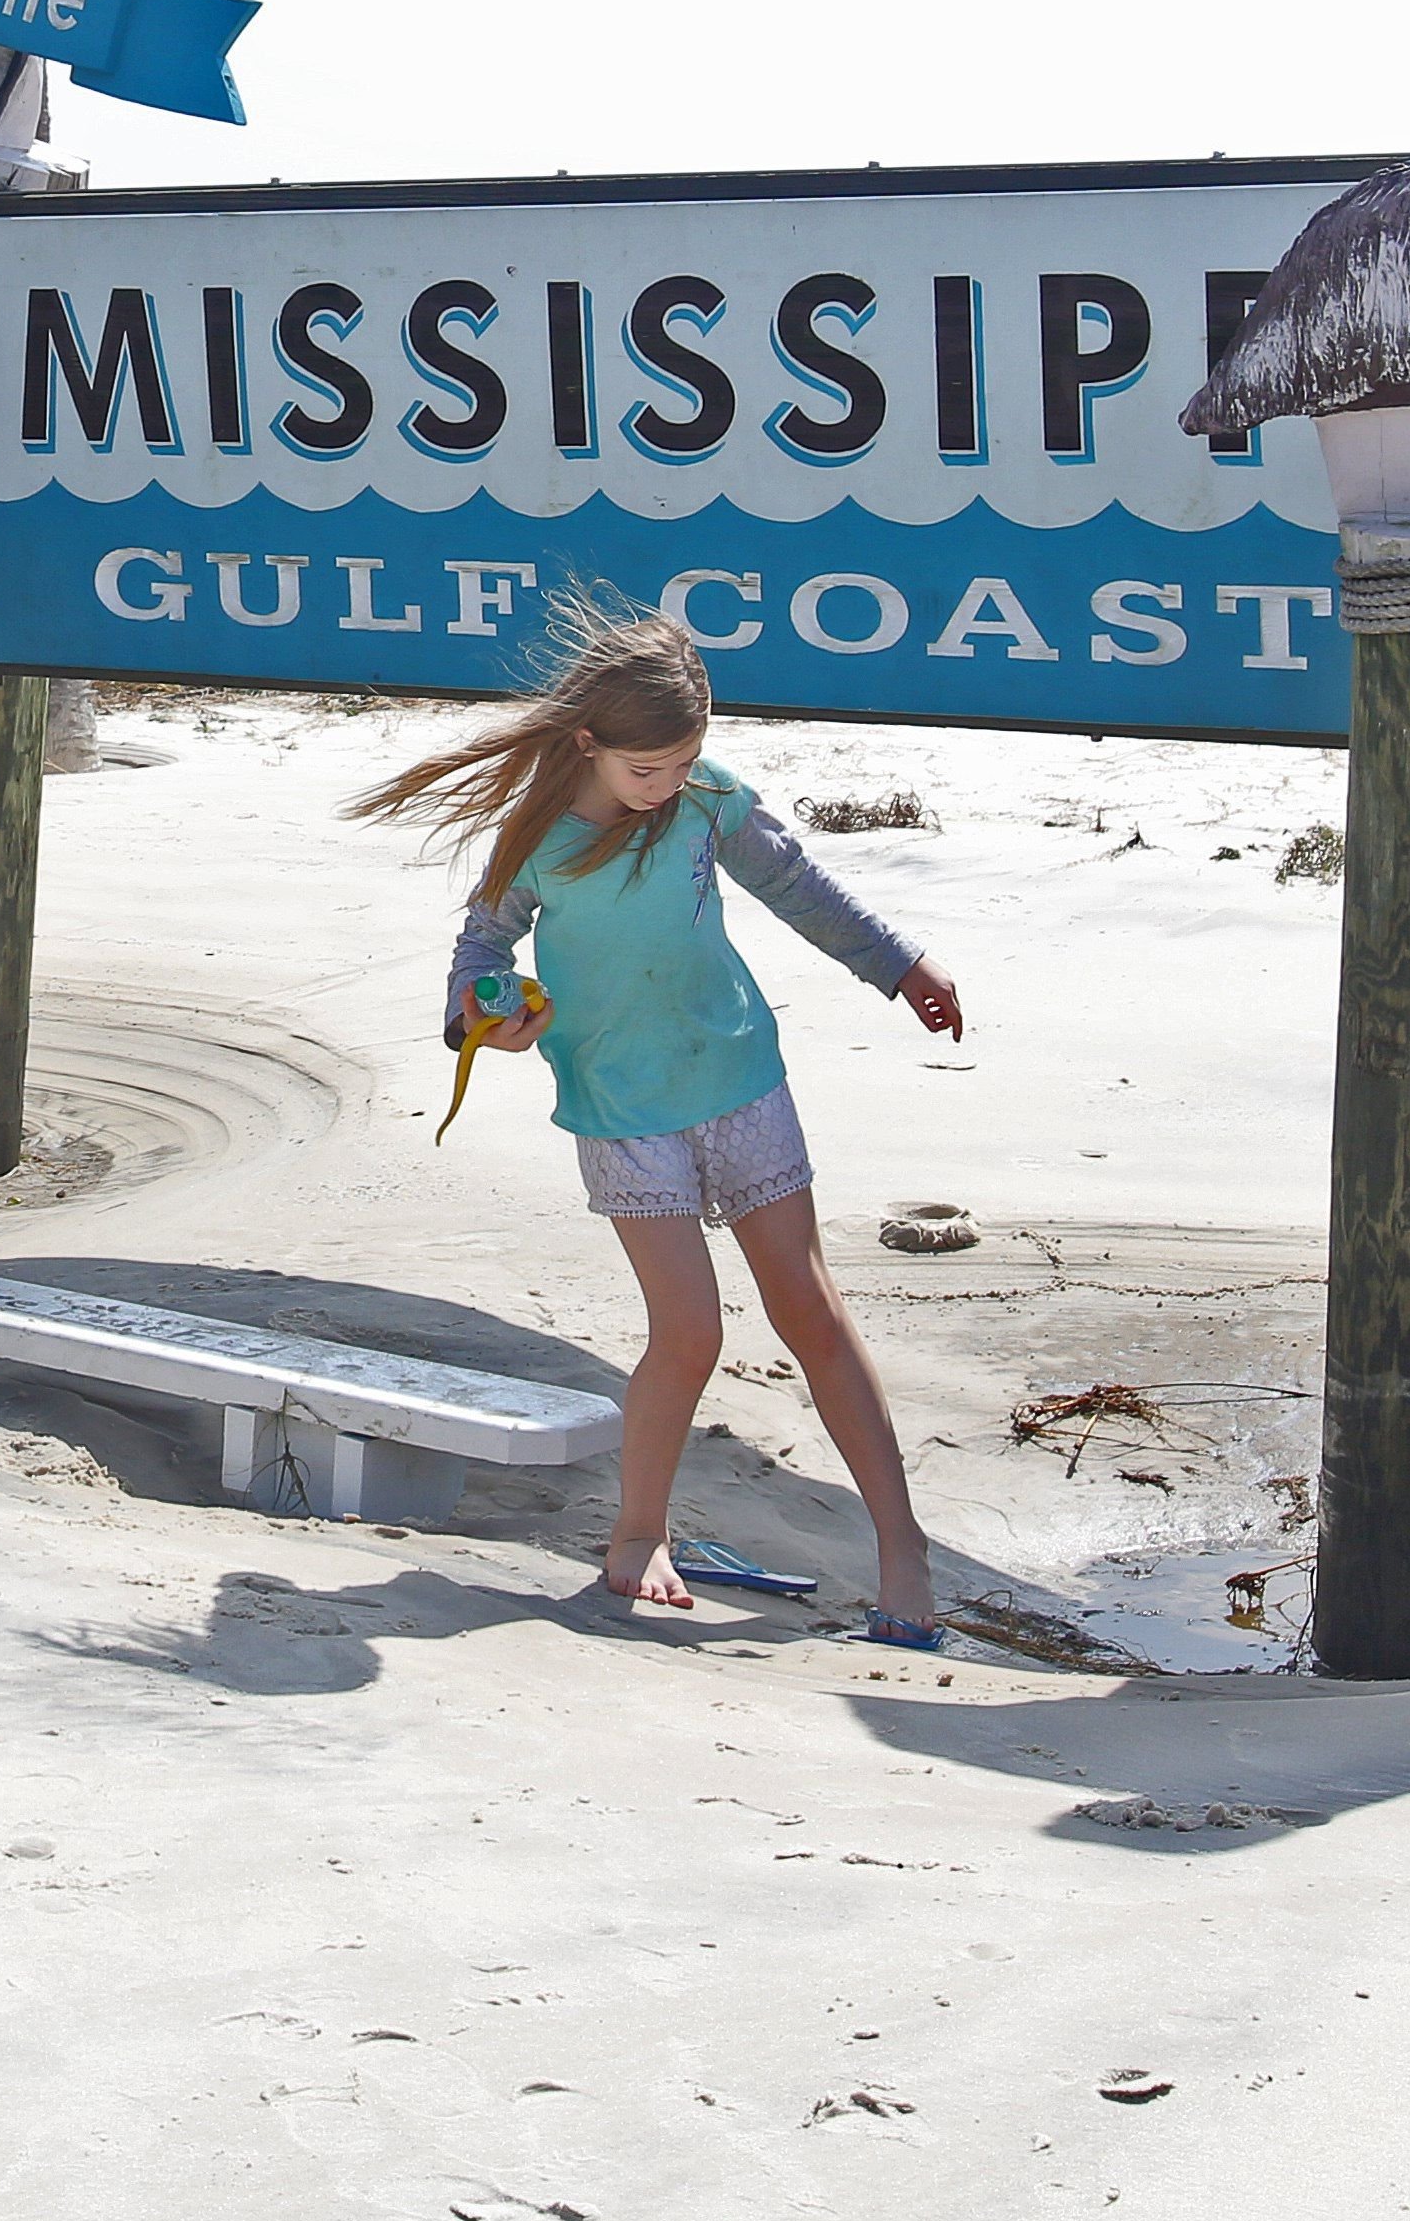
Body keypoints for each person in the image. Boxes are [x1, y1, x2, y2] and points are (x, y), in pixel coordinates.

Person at [347, 595, 967, 1644]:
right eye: (646, 771)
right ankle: (638, 1536)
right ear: (586, 744)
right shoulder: (536, 836)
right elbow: (480, 955)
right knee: (688, 1333)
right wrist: (480, 1019)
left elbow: (797, 887)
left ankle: (899, 1545)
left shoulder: (705, 801)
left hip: (736, 1077)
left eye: (682, 765)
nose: (665, 788)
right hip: (621, 1107)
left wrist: (897, 965)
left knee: (808, 1309)